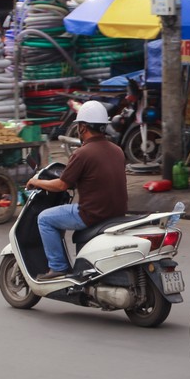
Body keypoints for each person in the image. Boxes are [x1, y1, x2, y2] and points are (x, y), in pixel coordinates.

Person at [26, 101, 126, 281]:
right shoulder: (117, 150)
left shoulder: (82, 153)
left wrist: (37, 182)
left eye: (79, 126)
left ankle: (58, 267)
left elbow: (61, 185)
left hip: (91, 214)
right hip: (117, 213)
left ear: (83, 127)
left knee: (45, 218)